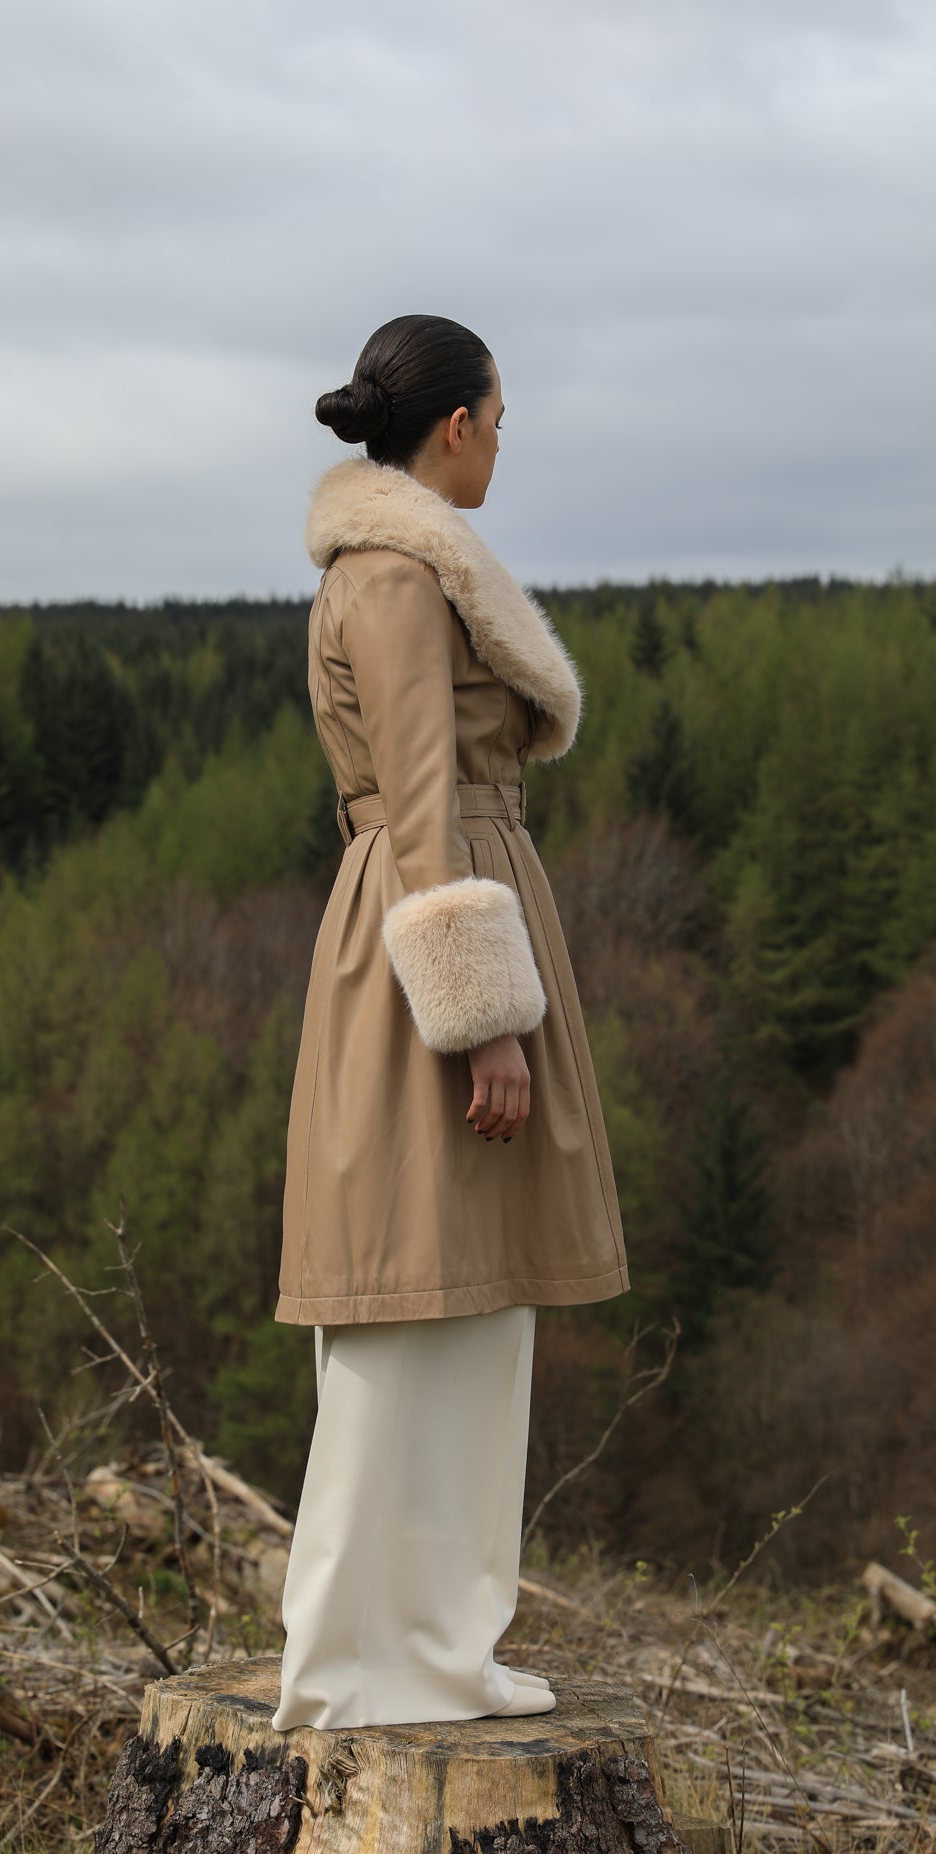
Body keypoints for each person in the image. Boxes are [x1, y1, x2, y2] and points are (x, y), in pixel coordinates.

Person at [271, 314, 629, 1733]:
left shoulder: (395, 565)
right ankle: (370, 1663)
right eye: (501, 414)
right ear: (460, 424)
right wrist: (483, 1020)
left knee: (465, 1298)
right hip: (437, 928)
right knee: (407, 1298)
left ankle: (434, 1650)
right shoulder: (402, 578)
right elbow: (421, 805)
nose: (504, 439)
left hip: (444, 907)